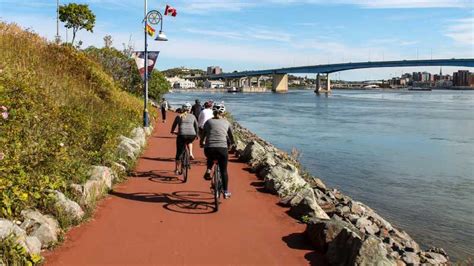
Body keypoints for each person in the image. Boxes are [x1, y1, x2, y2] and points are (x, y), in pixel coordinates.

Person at [200, 103, 235, 199]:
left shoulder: (208, 122)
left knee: (210, 156)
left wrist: (201, 143)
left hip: (209, 148)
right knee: (224, 171)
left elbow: (203, 135)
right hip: (222, 149)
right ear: (223, 113)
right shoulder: (226, 122)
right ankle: (226, 191)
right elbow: (231, 137)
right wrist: (232, 144)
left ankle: (208, 169)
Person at [171, 103, 198, 175]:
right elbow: (196, 126)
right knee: (189, 141)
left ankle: (176, 169)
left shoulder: (179, 116)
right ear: (190, 109)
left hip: (182, 135)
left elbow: (174, 125)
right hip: (192, 135)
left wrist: (172, 131)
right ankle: (191, 153)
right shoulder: (193, 116)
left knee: (179, 152)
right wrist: (197, 135)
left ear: (182, 109)